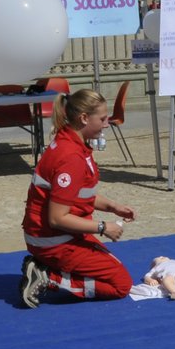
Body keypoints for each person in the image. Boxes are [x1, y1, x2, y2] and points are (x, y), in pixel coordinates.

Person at [18, 89, 139, 307]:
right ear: (84, 118)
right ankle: (48, 277)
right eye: (102, 118)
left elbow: (76, 195)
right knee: (120, 284)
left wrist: (113, 206)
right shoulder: (71, 156)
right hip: (53, 239)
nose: (106, 123)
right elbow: (57, 218)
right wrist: (103, 227)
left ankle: (46, 269)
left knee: (112, 268)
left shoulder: (70, 142)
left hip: (54, 235)